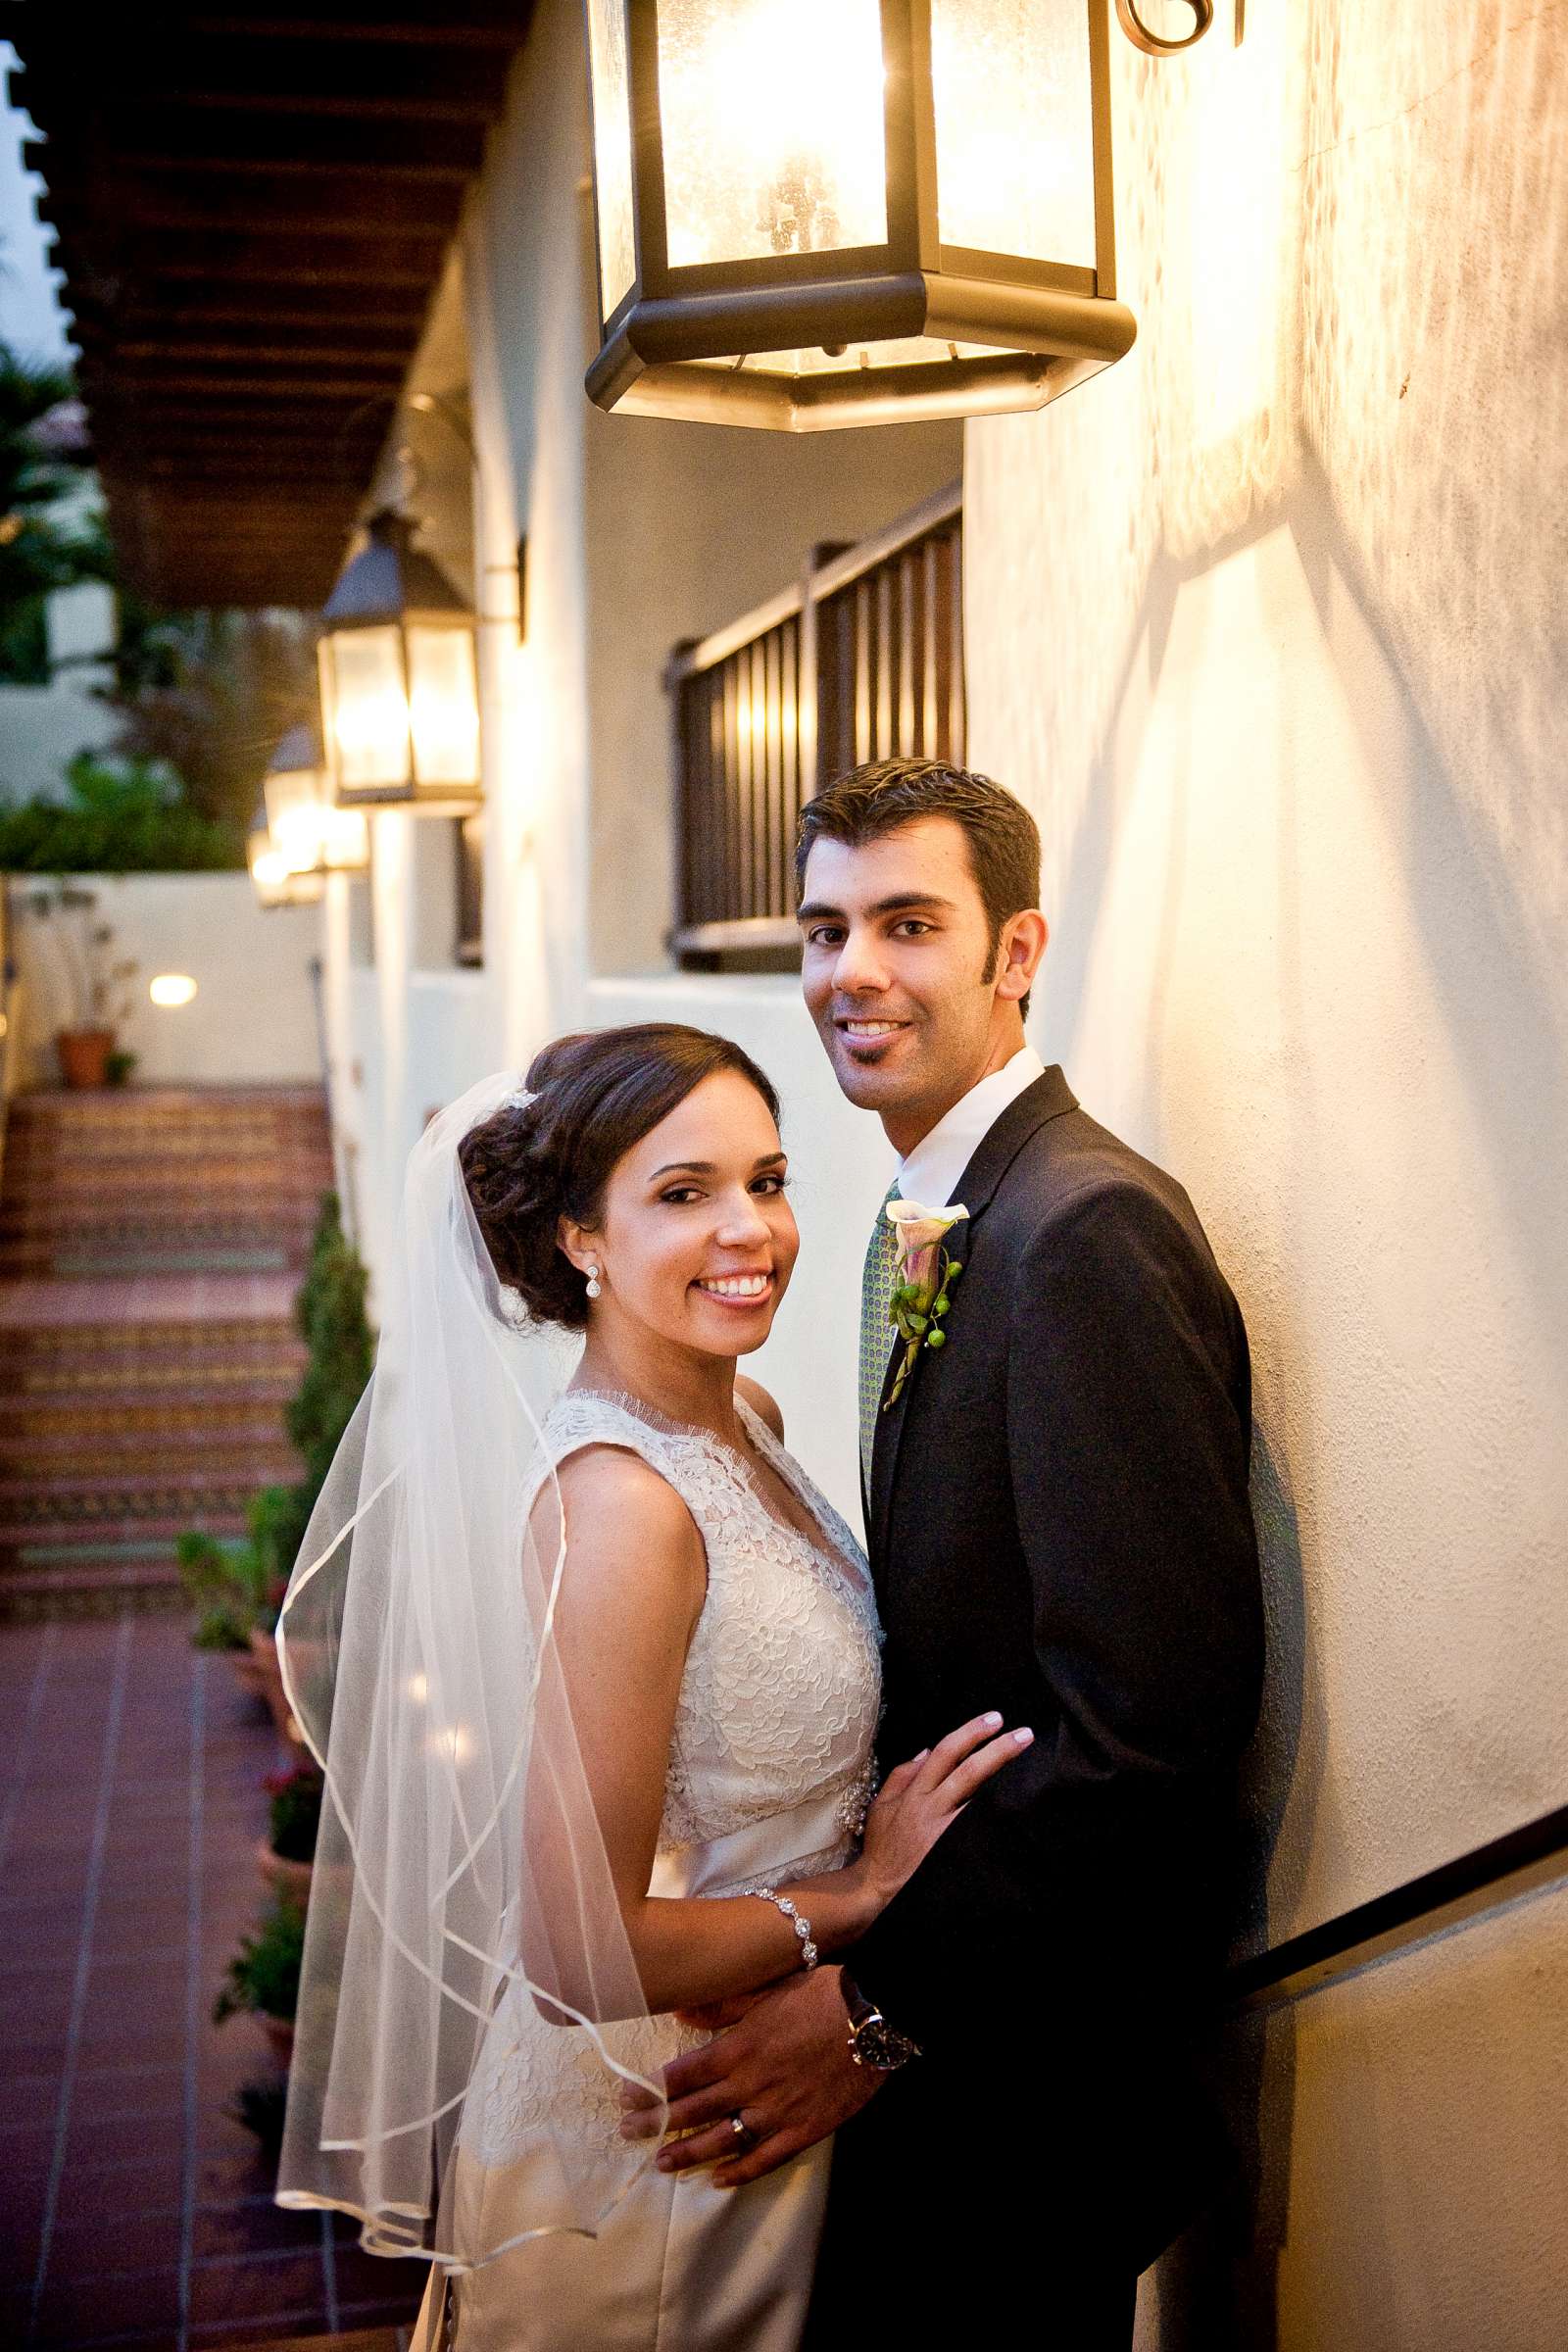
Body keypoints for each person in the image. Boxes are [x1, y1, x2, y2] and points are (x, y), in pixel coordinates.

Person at [273, 1021, 1027, 2351]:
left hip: (758, 2083)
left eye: (768, 1179)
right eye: (684, 1195)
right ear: (581, 1239)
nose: (752, 1229)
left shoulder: (748, 1428)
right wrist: (857, 1896)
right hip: (661, 2134)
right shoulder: (621, 1506)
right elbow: (578, 1947)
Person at [644, 763, 1266, 2347]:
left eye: (907, 925)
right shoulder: (944, 1206)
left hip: (1021, 2066)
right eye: (824, 928)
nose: (851, 972)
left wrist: (869, 2010)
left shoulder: (1083, 1233)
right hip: (949, 2020)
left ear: (1016, 950)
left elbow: (1144, 1737)